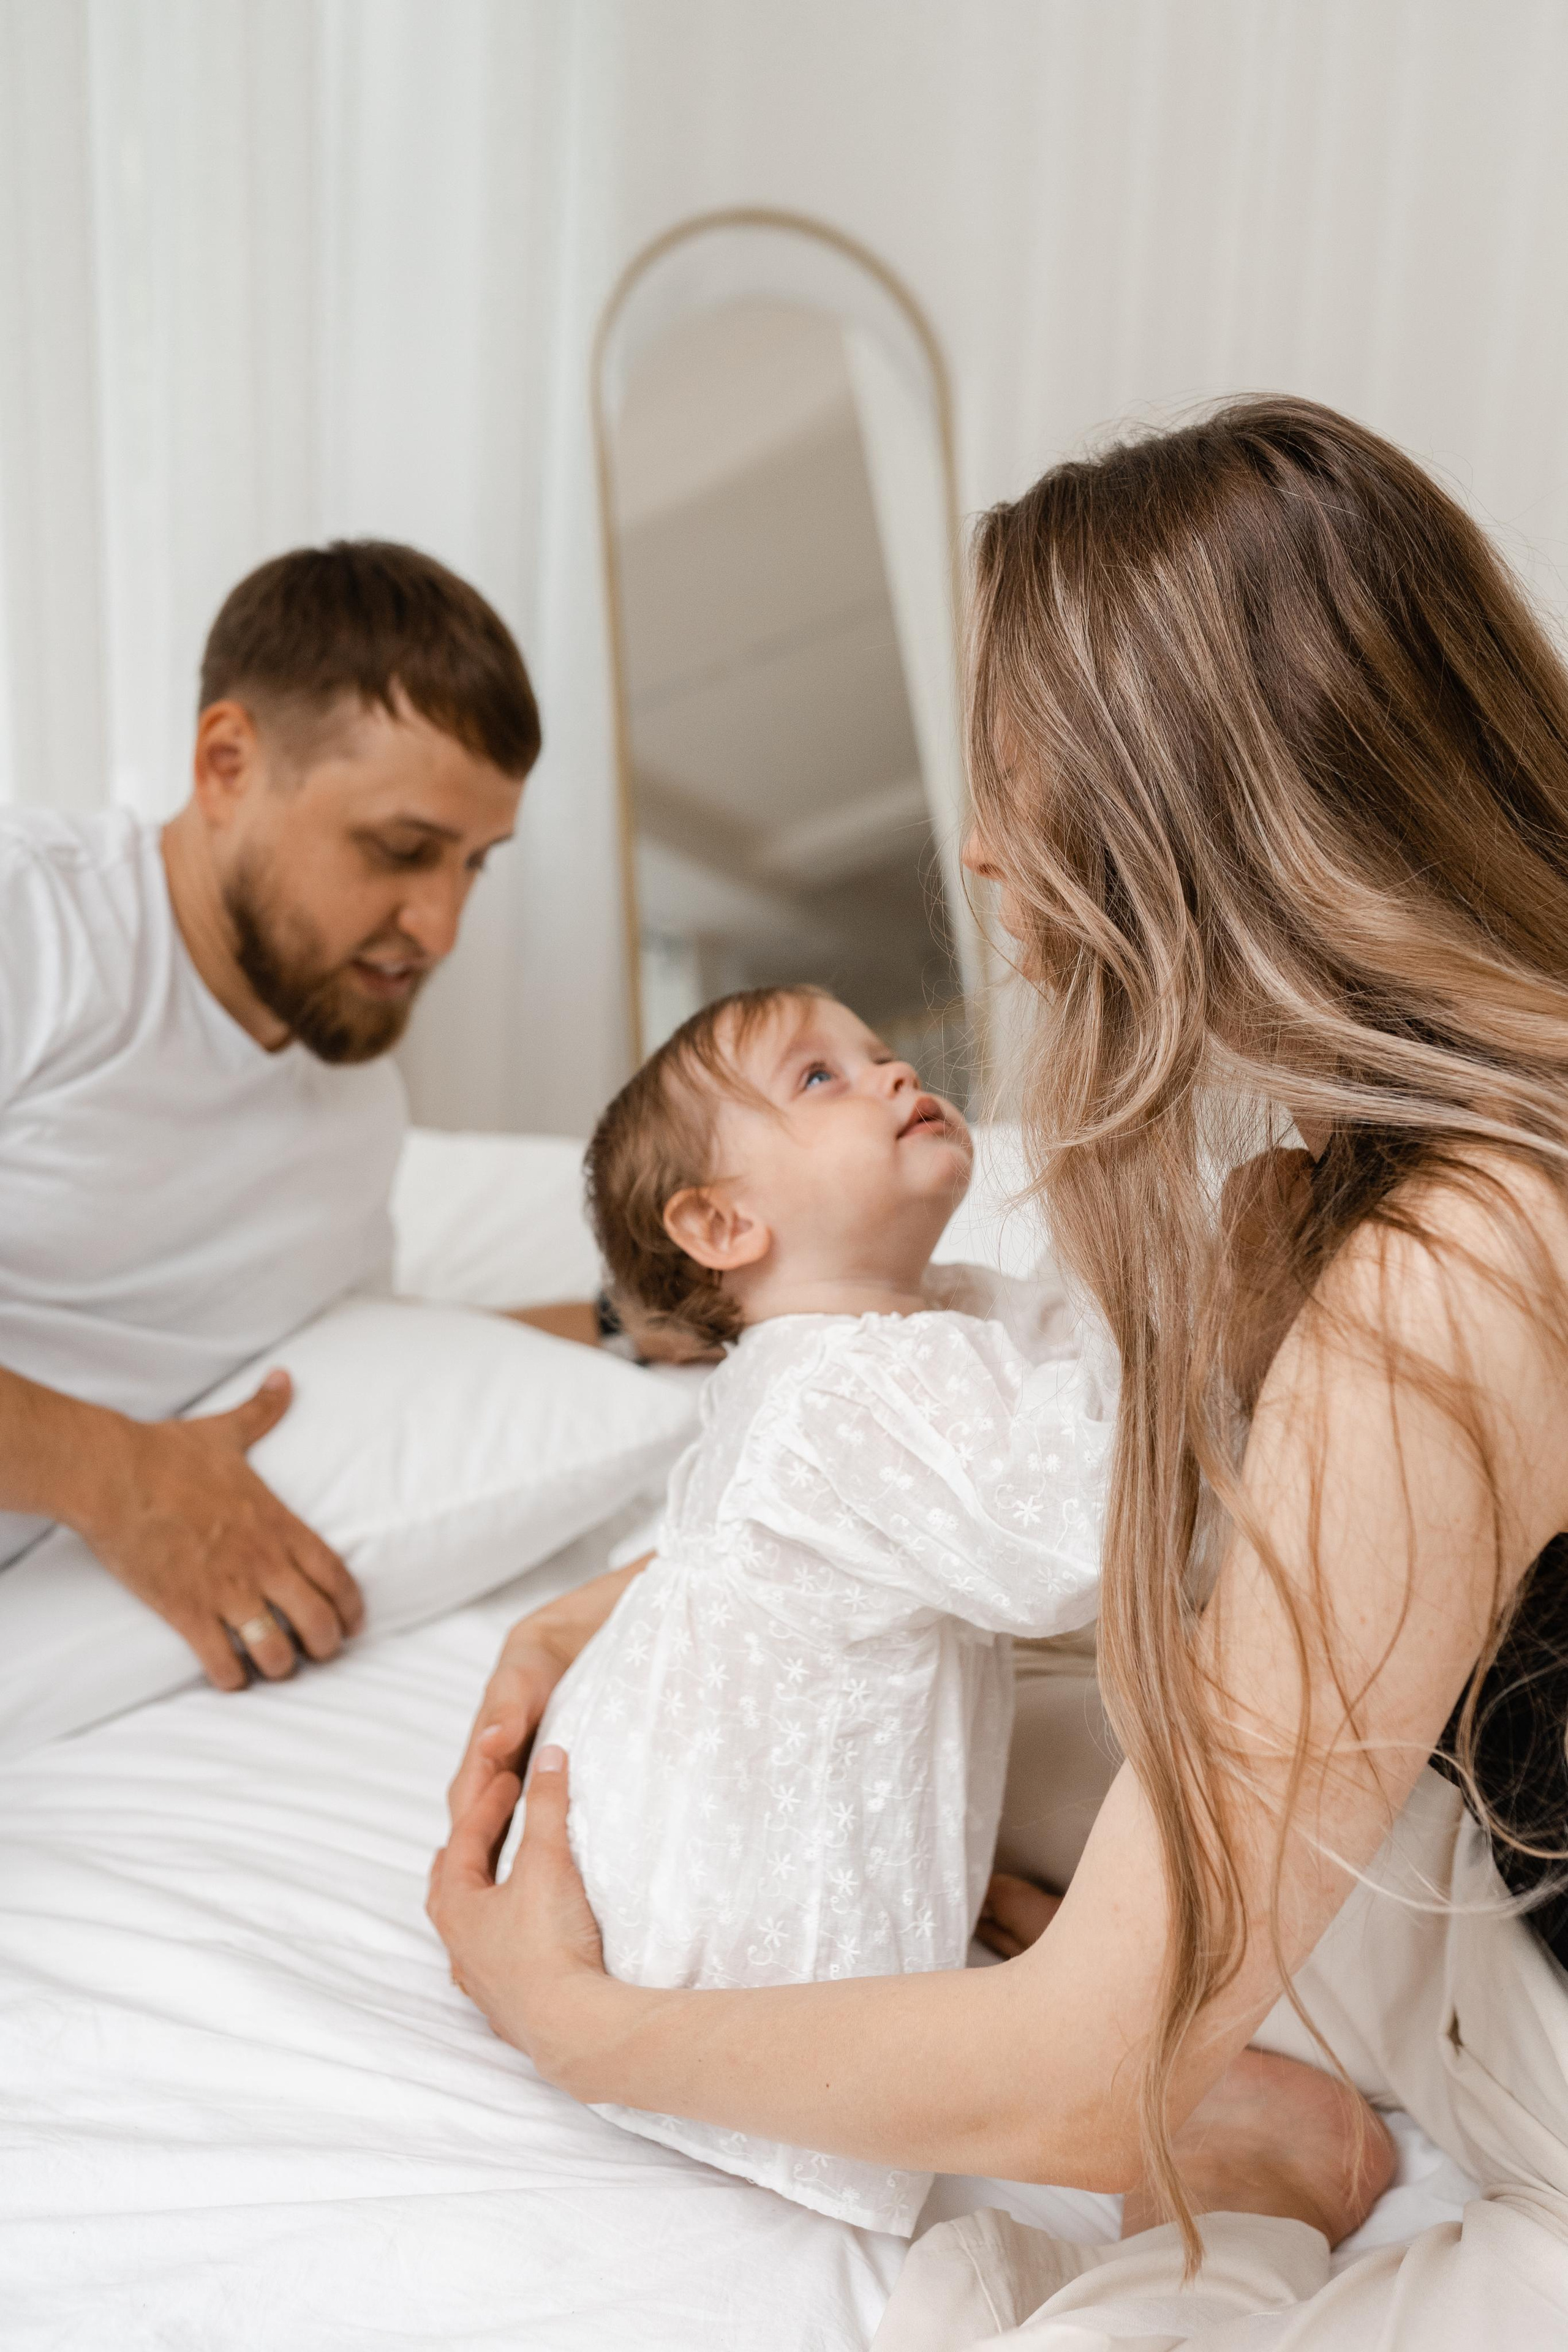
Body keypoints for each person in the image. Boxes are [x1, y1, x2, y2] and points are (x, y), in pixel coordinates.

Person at [429, 397, 1568, 2345]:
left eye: (1019, 769)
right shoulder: (1383, 1166)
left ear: (1195, 804)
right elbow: (1184, 1508)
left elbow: (1069, 2059)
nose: (973, 841)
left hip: (1531, 2000)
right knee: (913, 1711)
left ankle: (1272, 2188)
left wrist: (585, 2024)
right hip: (1486, 1815)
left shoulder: (1461, 1261)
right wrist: (661, 1595)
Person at [519, 981, 1114, 2233]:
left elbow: (1065, 1327)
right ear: (723, 1223)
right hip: (741, 1932)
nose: (893, 1074)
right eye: (817, 1078)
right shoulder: (835, 1387)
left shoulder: (919, 1310)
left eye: (880, 1050)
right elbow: (1066, 1541)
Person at [0, 540, 541, 1692]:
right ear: (228, 763)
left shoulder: (356, 1116)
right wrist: (114, 1476)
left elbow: (361, 1360)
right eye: (401, 851)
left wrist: (626, 1318)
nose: (439, 926)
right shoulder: (33, 925)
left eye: (475, 866)